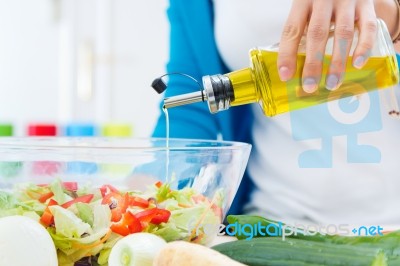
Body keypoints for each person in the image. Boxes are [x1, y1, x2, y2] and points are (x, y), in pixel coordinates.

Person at [152, 0, 400, 227]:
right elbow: (190, 108)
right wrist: (139, 197)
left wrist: (394, 18)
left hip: (391, 228)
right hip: (267, 230)